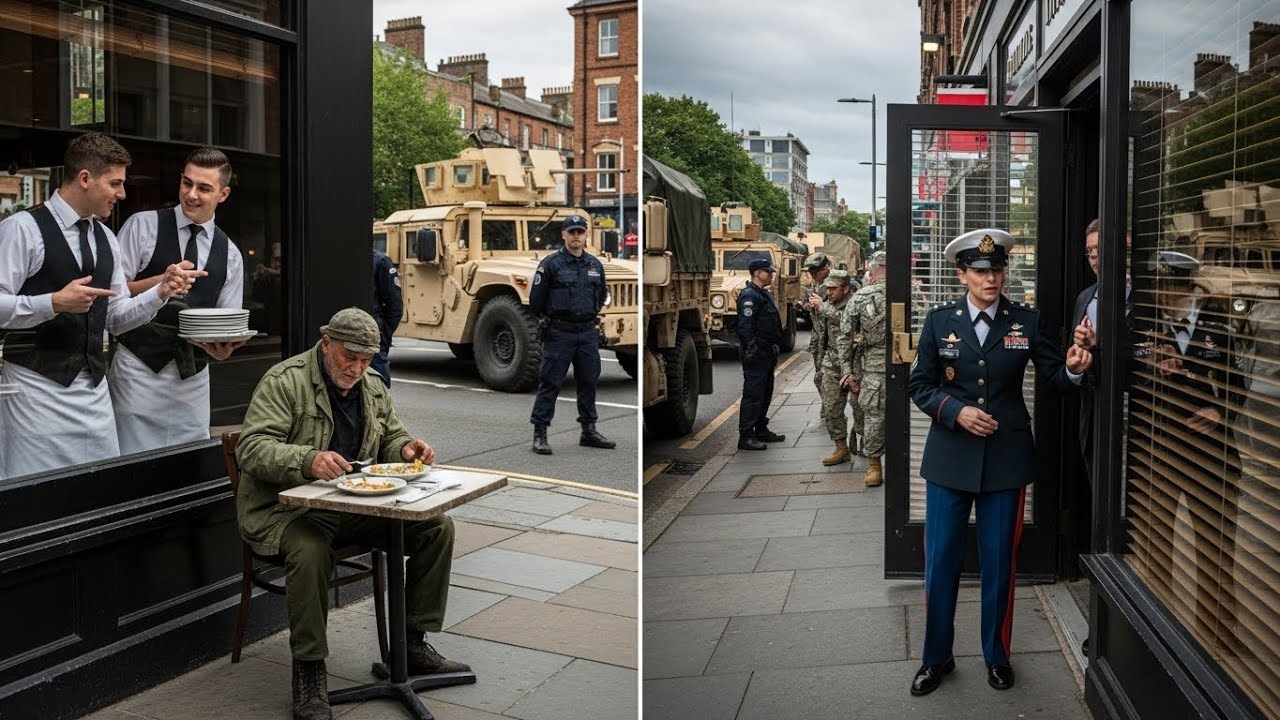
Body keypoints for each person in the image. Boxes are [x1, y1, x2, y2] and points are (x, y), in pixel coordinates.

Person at [235, 308, 469, 720]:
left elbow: (392, 437)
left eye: (365, 361)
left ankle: (411, 645)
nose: (357, 369)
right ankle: (309, 671)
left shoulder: (372, 385)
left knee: (436, 527)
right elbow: (251, 449)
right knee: (310, 549)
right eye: (349, 358)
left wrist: (407, 450)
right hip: (285, 509)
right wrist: (307, 460)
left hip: (353, 504)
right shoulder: (285, 382)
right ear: (326, 344)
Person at [908, 229, 1091, 696]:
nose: (991, 278)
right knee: (942, 562)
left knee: (998, 563)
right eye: (981, 271)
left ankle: (996, 655)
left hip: (1006, 460)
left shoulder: (1026, 322)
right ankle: (936, 658)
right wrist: (956, 412)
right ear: (962, 274)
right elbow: (920, 385)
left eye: (997, 269)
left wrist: (1073, 366)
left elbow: (1056, 377)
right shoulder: (938, 321)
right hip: (950, 460)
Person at [0, 132, 202, 480]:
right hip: (34, 391)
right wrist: (53, 303)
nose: (122, 194)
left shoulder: (106, 238)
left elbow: (118, 319)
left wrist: (160, 292)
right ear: (84, 178)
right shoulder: (22, 229)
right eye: (115, 183)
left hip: (94, 392)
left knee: (100, 489)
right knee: (40, 498)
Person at [109, 147, 246, 455]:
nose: (191, 194)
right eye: (187, 183)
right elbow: (112, 296)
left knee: (188, 464)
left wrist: (223, 350)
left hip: (193, 382)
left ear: (223, 194)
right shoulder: (143, 226)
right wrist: (161, 281)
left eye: (204, 188)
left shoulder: (231, 254)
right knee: (132, 467)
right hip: (137, 372)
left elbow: (226, 322)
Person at [527, 214, 615, 454]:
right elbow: (535, 301)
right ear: (563, 235)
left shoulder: (594, 265)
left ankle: (589, 431)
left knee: (589, 381)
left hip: (586, 332)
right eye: (572, 232)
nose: (576, 236)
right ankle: (540, 433)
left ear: (586, 235)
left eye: (580, 232)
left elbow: (601, 296)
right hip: (559, 333)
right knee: (550, 382)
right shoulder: (551, 264)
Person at [844, 250, 888, 486]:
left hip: (872, 369)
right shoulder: (909, 293)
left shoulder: (860, 297)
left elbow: (845, 338)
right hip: (909, 366)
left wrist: (847, 371)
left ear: (874, 270)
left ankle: (874, 467)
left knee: (874, 417)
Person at [737, 257, 786, 450]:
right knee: (753, 395)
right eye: (768, 272)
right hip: (756, 354)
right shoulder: (749, 296)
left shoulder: (762, 294)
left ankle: (761, 430)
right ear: (757, 273)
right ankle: (746, 436)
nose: (771, 275)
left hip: (766, 352)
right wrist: (752, 349)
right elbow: (745, 327)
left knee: (765, 393)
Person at [811, 269, 854, 464]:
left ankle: (862, 439)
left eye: (834, 289)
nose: (829, 292)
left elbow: (847, 322)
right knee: (830, 408)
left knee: (862, 410)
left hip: (854, 364)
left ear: (845, 288)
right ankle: (841, 447)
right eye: (828, 288)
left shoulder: (855, 303)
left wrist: (822, 308)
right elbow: (822, 333)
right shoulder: (828, 304)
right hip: (831, 362)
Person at [370, 248, 403, 387]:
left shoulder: (380, 262)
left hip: (373, 338)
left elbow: (394, 307)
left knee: (378, 392)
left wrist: (383, 335)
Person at [804, 252, 832, 393]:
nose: (811, 274)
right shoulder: (817, 283)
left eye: (814, 271)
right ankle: (828, 411)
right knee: (819, 377)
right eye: (810, 271)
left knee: (827, 379)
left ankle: (830, 412)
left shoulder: (834, 284)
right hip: (818, 338)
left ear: (824, 269)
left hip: (831, 340)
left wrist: (822, 305)